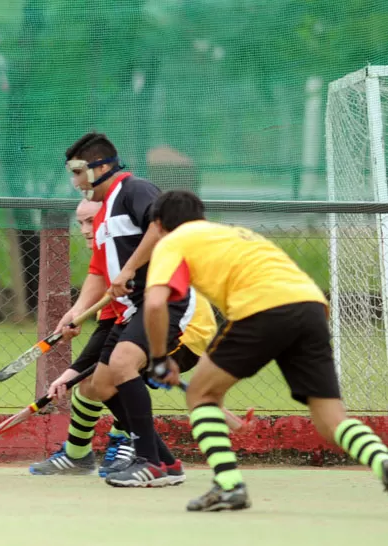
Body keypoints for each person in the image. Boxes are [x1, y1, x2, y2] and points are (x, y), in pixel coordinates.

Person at [143, 189, 388, 511]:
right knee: (331, 421)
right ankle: (382, 460)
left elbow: (156, 303)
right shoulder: (234, 234)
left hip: (262, 309)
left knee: (201, 394)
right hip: (311, 308)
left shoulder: (173, 241)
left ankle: (229, 486)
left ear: (159, 224)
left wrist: (159, 358)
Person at [30, 132, 213, 487]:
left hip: (165, 297)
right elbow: (99, 271)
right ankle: (166, 462)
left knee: (124, 364)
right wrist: (76, 311)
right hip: (132, 307)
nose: (75, 182)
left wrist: (130, 270)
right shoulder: (103, 216)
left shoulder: (135, 190)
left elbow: (162, 226)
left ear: (100, 167)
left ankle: (148, 462)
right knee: (100, 383)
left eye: (78, 172)